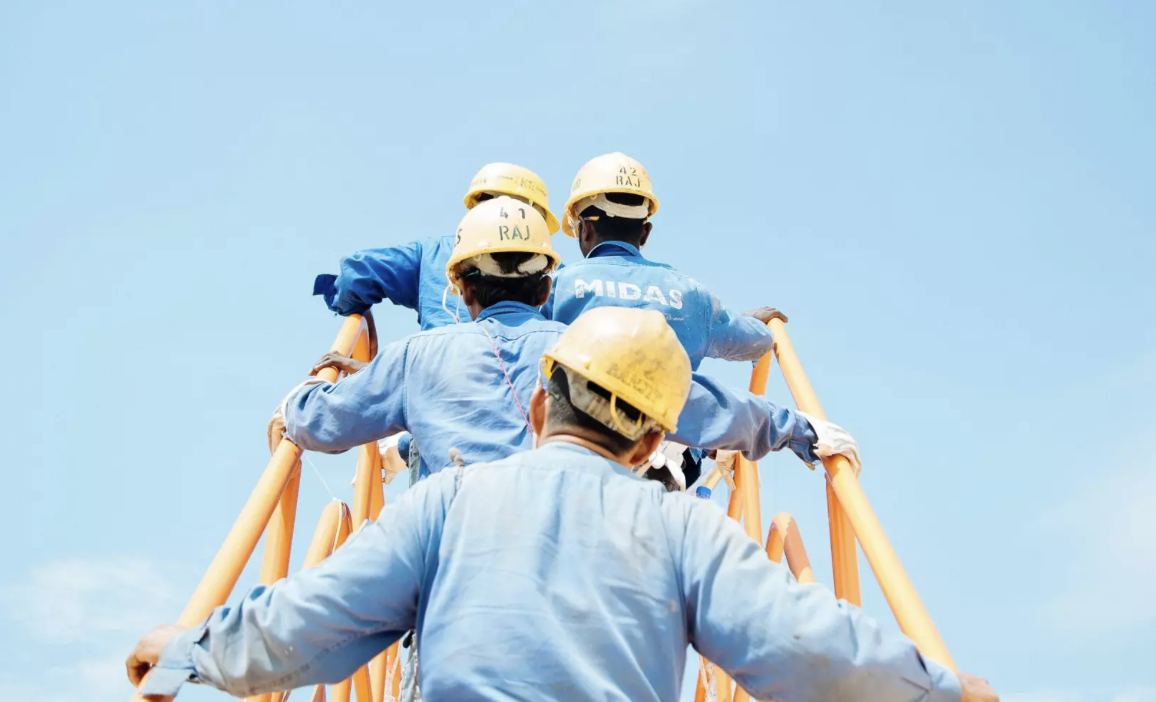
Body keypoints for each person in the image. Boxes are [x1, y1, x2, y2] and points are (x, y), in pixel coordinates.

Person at [127, 307, 996, 702]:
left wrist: (186, 651)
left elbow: (315, 619)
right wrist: (945, 691)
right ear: (654, 444)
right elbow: (802, 645)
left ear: (539, 405)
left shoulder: (447, 502)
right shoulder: (684, 523)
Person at [273, 199, 858, 483]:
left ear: (460, 282)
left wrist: (303, 396)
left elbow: (321, 422)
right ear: (548, 279)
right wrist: (797, 428)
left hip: (454, 596)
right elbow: (701, 404)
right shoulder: (591, 350)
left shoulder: (415, 358)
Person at [313, 161, 560, 330]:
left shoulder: (431, 255)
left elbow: (356, 275)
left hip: (434, 386)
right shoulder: (553, 273)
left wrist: (356, 310)